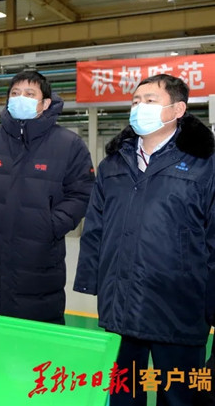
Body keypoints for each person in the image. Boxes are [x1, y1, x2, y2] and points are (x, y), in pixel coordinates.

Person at [74, 74, 215, 406]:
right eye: (135, 101)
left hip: (179, 307)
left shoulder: (204, 165)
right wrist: (92, 280)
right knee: (123, 393)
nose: (139, 107)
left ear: (177, 110)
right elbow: (95, 228)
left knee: (180, 395)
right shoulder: (113, 164)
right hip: (121, 305)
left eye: (150, 101)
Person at [0, 70, 94, 324]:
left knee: (38, 335)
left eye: (29, 93)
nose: (20, 98)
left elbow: (82, 192)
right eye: (15, 93)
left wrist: (51, 224)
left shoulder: (69, 144)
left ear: (45, 103)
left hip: (41, 259)